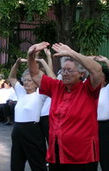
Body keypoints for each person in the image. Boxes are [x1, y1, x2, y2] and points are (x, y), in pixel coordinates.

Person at [28, 42, 103, 171]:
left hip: (82, 157)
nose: (65, 73)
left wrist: (71, 52)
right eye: (63, 70)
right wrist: (30, 55)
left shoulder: (89, 89)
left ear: (81, 74)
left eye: (69, 70)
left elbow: (97, 70)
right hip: (57, 155)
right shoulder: (57, 87)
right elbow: (35, 74)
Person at [9, 58, 47, 171]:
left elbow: (50, 79)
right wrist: (16, 64)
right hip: (17, 130)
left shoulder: (41, 93)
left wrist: (42, 62)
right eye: (24, 80)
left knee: (38, 164)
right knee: (16, 164)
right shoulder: (21, 92)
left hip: (32, 131)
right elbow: (11, 77)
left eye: (29, 80)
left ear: (36, 83)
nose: (26, 82)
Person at [93, 55, 109, 171]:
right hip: (90, 126)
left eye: (101, 76)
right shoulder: (89, 90)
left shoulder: (106, 90)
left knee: (105, 157)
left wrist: (106, 61)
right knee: (91, 156)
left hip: (105, 127)